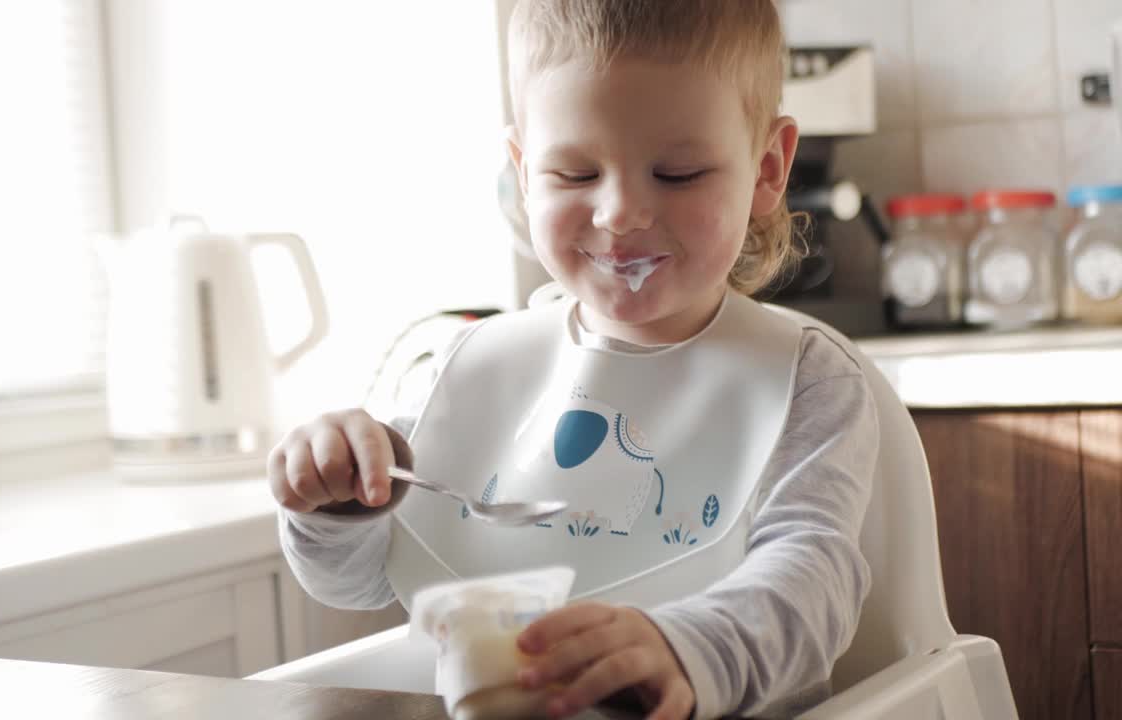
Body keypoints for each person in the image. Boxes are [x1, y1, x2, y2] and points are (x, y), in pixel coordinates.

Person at [269, 1, 877, 718]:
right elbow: (360, 579)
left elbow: (812, 585)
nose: (619, 213)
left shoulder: (807, 382)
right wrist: (338, 497)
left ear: (768, 168)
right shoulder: (474, 367)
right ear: (523, 173)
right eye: (574, 174)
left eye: (678, 173)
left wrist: (685, 648)